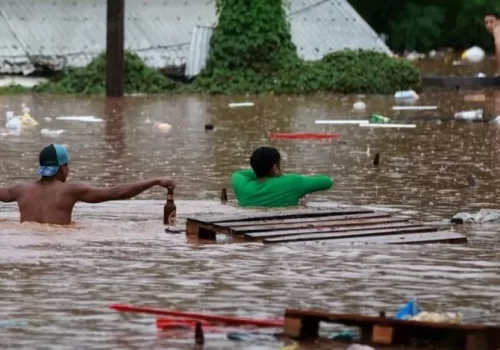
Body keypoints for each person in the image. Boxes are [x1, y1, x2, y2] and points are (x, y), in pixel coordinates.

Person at [0, 144, 175, 225]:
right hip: (58, 246)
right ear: (62, 168)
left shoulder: (20, 190)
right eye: (67, 165)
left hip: (27, 242)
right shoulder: (71, 190)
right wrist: (155, 180)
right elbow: (116, 193)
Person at [231, 146, 333, 207]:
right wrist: (282, 175)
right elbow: (328, 182)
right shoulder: (292, 182)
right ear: (275, 168)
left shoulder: (242, 186)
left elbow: (238, 173)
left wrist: (259, 171)